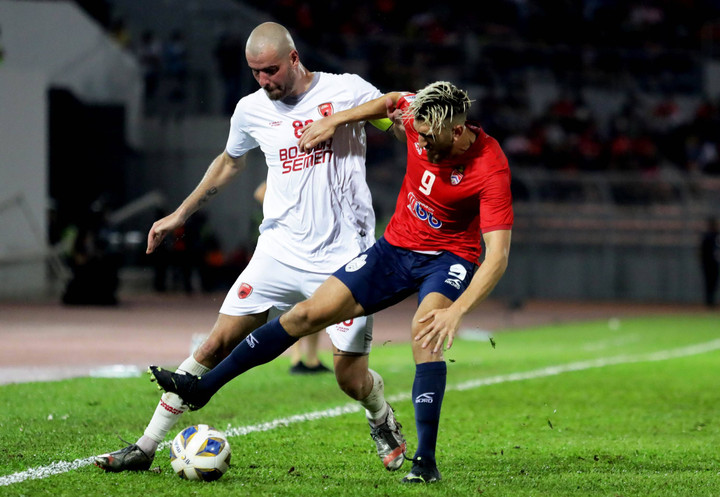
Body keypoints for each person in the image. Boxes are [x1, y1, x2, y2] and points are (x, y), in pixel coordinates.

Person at [149, 81, 514, 484]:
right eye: (419, 134)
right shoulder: (416, 116)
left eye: (430, 138)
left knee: (424, 334)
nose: (421, 143)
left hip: (448, 258)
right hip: (394, 248)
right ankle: (202, 389)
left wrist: (457, 312)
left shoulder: (489, 166)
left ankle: (425, 462)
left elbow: (497, 256)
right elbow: (392, 100)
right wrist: (335, 121)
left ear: (457, 131)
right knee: (304, 316)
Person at [95, 22, 405, 474]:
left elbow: (395, 113)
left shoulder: (346, 90)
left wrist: (344, 121)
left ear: (294, 58)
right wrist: (181, 213)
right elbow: (229, 162)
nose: (264, 80)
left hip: (345, 257)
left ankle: (380, 416)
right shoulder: (251, 109)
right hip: (278, 250)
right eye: (255, 72)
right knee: (215, 343)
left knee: (350, 379)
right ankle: (145, 446)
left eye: (271, 70)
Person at [253, 181, 332, 375]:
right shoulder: (291, 175)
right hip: (292, 245)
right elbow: (260, 192)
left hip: (314, 243)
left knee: (316, 301)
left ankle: (312, 359)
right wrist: (289, 211)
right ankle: (296, 358)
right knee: (295, 303)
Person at [700, 217, 720, 307]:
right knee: (709, 283)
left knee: (713, 283)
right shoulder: (707, 237)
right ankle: (709, 302)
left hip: (714, 263)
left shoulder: (716, 236)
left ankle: (711, 301)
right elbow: (703, 251)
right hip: (709, 263)